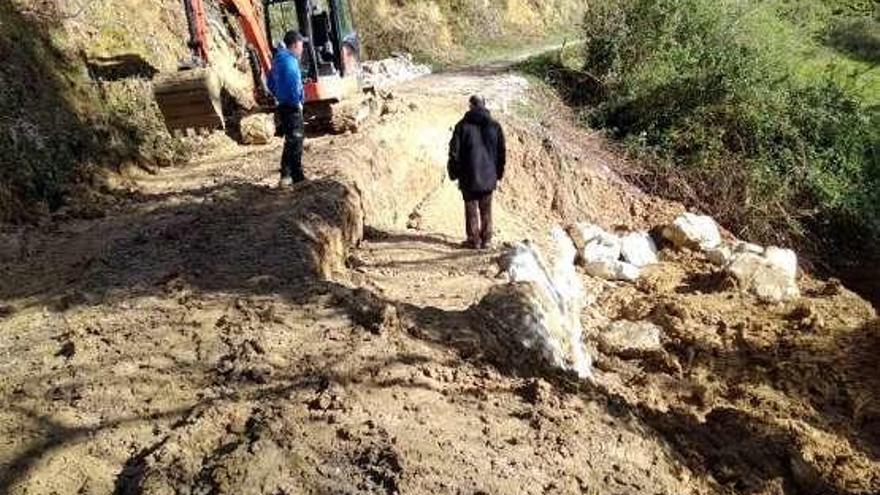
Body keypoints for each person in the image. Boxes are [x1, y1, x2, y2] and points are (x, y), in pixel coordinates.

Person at [447, 95, 506, 249]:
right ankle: (486, 240)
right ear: (484, 105)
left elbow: (454, 153)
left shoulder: (461, 126)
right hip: (488, 176)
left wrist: (454, 173)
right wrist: (498, 174)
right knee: (486, 209)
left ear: (471, 106)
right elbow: (501, 153)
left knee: (471, 209)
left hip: (468, 176)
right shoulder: (495, 126)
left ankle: (474, 240)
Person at [268, 30, 307, 187]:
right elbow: (293, 84)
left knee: (291, 140)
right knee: (296, 140)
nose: (302, 50)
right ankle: (293, 176)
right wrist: (297, 101)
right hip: (291, 106)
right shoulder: (290, 61)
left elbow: (270, 82)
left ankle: (290, 176)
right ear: (296, 44)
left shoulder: (278, 59)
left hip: (282, 105)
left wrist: (278, 95)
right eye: (301, 46)